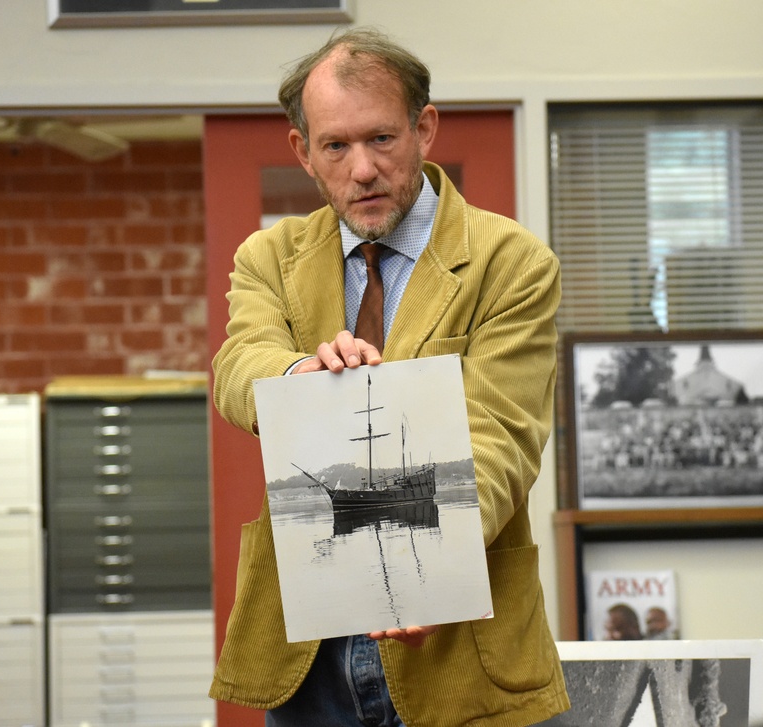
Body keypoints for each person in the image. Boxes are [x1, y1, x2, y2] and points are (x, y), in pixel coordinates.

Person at [207, 27, 568, 727]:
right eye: (336, 145)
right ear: (303, 152)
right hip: (308, 659)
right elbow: (237, 363)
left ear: (424, 129)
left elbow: (502, 440)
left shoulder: (511, 262)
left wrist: (423, 566)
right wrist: (296, 374)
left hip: (462, 649)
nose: (362, 169)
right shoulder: (269, 257)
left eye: (381, 139)